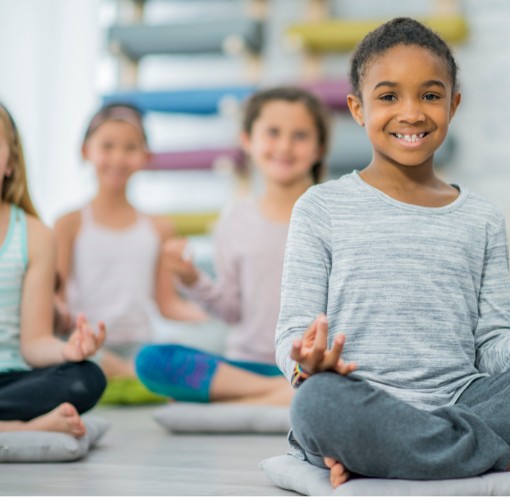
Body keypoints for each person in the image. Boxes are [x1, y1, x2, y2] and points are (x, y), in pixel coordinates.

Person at [275, 17, 510, 489]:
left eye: (430, 95)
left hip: (467, 402)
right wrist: (308, 364)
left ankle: (400, 453)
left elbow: (491, 348)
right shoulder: (320, 207)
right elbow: (291, 332)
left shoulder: (481, 218)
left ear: (454, 104)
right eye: (388, 96)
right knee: (317, 405)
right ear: (357, 109)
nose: (411, 113)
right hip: (359, 400)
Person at [135, 87, 331, 405]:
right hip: (247, 368)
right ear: (247, 140)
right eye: (272, 133)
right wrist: (190, 279)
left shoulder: (330, 215)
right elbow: (230, 309)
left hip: (311, 366)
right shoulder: (235, 218)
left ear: (319, 147)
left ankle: (257, 397)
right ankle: (279, 394)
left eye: (300, 136)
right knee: (152, 361)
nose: (284, 146)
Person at [54, 103, 206, 380]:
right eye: (108, 146)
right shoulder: (69, 223)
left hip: (142, 347)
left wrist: (209, 319)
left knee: (206, 343)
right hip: (89, 346)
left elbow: (167, 303)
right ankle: (136, 378)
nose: (119, 158)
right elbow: (58, 299)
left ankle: (134, 375)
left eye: (130, 148)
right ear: (86, 151)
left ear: (146, 156)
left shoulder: (160, 227)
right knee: (85, 361)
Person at [0, 101, 106, 436]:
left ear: (11, 164)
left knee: (86, 377)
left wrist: (68, 349)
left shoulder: (35, 236)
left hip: (12, 381)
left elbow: (33, 343)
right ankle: (16, 428)